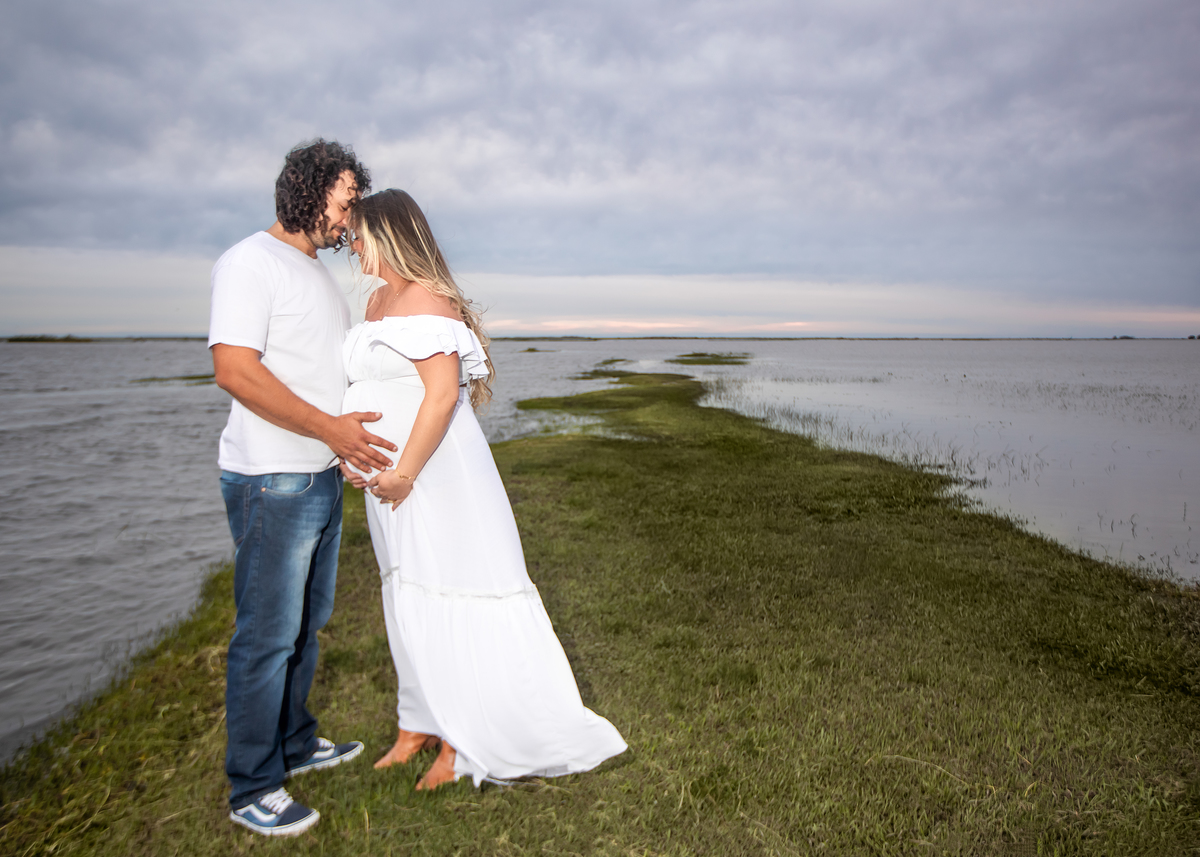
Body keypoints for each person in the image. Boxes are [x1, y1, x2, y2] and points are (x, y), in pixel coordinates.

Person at [341, 189, 627, 790]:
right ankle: (416, 723)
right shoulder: (374, 301)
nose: (351, 246)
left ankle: (459, 740)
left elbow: (443, 394)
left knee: (450, 591)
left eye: (359, 236)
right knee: (405, 592)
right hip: (387, 480)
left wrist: (404, 473)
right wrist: (354, 454)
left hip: (433, 475)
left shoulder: (429, 299)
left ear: (389, 234)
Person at [209, 139, 399, 837]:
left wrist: (343, 445)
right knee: (266, 635)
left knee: (304, 624)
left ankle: (294, 741)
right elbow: (235, 369)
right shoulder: (249, 262)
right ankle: (253, 785)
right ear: (308, 190)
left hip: (319, 473)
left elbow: (322, 371)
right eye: (345, 203)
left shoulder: (316, 272)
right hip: (271, 478)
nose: (350, 220)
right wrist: (331, 430)